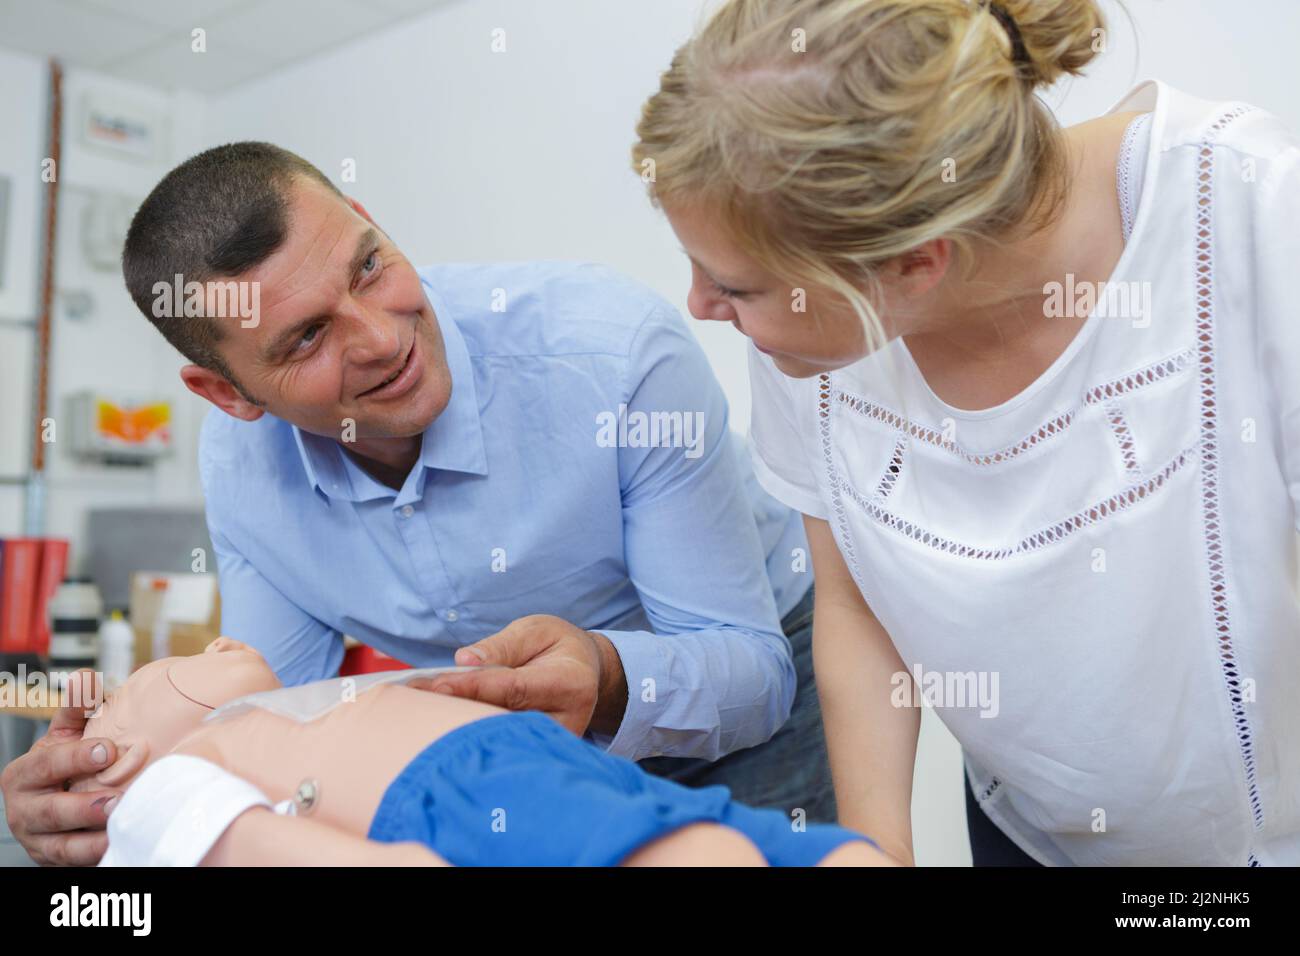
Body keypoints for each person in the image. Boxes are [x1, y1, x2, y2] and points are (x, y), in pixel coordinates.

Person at [1, 143, 836, 866]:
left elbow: (750, 675)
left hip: (741, 678)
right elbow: (266, 719)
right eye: (306, 338)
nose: (382, 338)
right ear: (227, 393)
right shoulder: (244, 468)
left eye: (369, 266)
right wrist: (88, 799)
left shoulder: (611, 357)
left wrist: (610, 677)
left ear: (367, 217)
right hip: (518, 760)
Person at [630, 0, 1300, 865]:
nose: (701, 308)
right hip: (1026, 831)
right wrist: (876, 851)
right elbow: (855, 603)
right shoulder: (813, 333)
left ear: (913, 263)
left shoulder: (1251, 218)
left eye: (736, 287)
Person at [80, 640, 894, 867]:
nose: (220, 639)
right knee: (689, 846)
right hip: (454, 798)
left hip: (540, 764)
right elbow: (260, 847)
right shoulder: (170, 788)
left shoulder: (270, 714)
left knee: (725, 831)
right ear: (117, 757)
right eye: (140, 680)